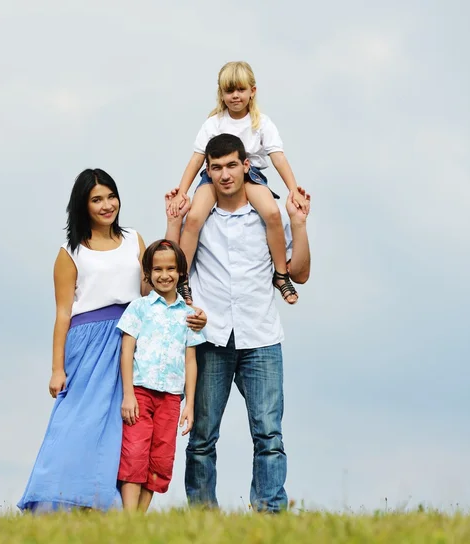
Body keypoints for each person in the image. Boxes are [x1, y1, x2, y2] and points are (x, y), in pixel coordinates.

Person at [18, 169, 206, 512]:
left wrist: (171, 224)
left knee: (126, 429)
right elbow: (63, 313)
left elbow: (152, 287)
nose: (107, 206)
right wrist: (56, 368)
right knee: (77, 420)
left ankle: (112, 509)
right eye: (96, 200)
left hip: (134, 338)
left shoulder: (134, 238)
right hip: (88, 343)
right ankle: (54, 501)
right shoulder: (70, 252)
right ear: (83, 205)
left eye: (110, 196)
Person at [165, 134, 311, 513]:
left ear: (246, 166)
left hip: (260, 337)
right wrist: (173, 222)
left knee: (269, 435)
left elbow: (300, 272)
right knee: (201, 437)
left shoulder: (268, 216)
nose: (225, 174)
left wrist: (300, 224)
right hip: (210, 338)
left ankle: (269, 514)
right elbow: (172, 270)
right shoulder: (200, 219)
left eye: (232, 165)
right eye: (216, 168)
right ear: (207, 172)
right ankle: (202, 518)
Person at [167, 60, 310, 306]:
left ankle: (280, 273)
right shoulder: (214, 123)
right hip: (214, 175)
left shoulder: (261, 123)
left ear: (252, 91)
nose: (235, 96)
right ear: (221, 94)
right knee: (193, 218)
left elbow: (278, 157)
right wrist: (182, 191)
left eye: (240, 90)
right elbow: (197, 159)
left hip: (250, 175)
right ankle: (183, 279)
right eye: (229, 91)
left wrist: (293, 189)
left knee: (272, 214)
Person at [116, 239, 206, 512]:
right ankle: (128, 519)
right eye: (157, 269)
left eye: (170, 268)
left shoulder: (190, 315)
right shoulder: (139, 308)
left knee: (161, 459)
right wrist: (128, 394)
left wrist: (189, 403)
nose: (164, 275)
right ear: (148, 273)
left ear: (180, 273)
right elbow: (126, 352)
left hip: (171, 398)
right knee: (134, 454)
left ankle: (139, 520)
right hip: (141, 394)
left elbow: (191, 361)